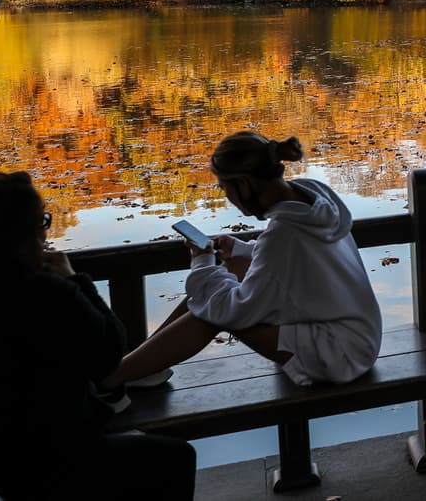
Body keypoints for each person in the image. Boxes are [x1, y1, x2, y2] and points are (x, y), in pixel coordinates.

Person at [97, 131, 383, 408]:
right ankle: (141, 366)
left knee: (213, 312)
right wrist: (242, 249)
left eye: (225, 188)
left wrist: (202, 260)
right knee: (219, 287)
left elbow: (236, 311)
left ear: (244, 184)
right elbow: (295, 258)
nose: (227, 198)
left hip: (339, 354)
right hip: (360, 335)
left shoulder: (283, 234)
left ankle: (111, 381)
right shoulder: (314, 198)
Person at [0, 171, 196, 501]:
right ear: (26, 232)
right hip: (58, 453)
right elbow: (109, 352)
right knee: (175, 458)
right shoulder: (47, 292)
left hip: (6, 463)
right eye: (43, 222)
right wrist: (76, 280)